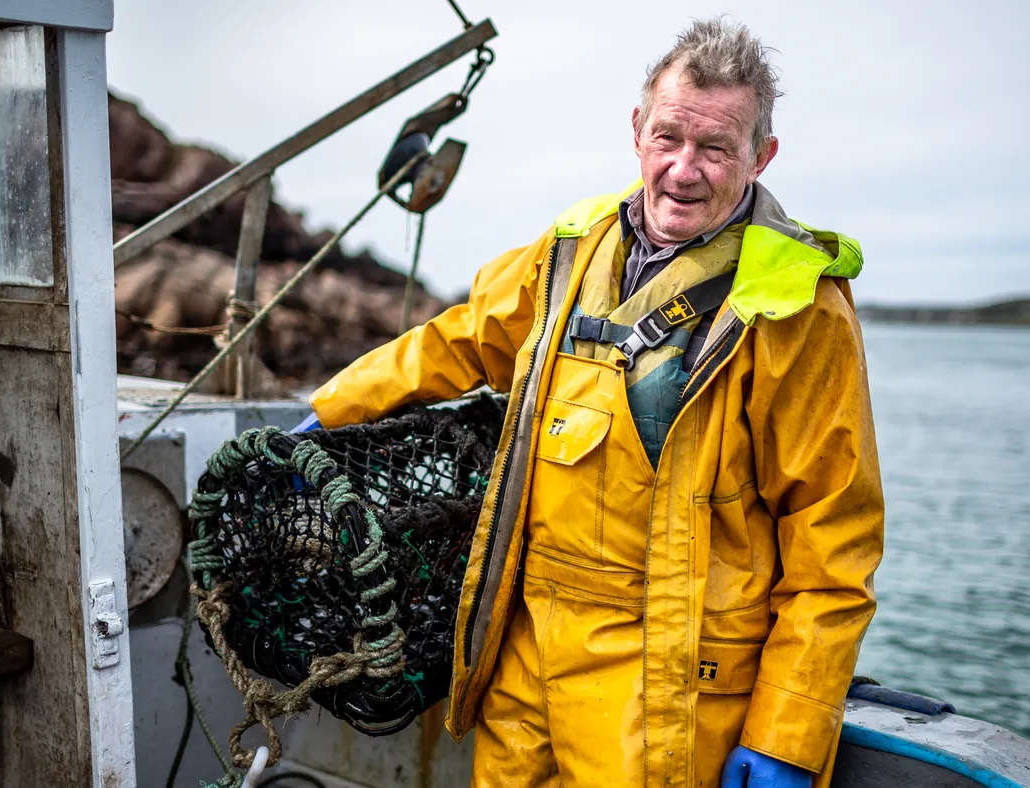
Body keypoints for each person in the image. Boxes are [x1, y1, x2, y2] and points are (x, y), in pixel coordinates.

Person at [308, 17, 884, 788]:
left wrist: (788, 730)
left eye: (715, 148)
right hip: (523, 656)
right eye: (669, 137)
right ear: (638, 130)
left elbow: (832, 543)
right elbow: (464, 339)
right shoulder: (574, 246)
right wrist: (334, 410)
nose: (683, 170)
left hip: (662, 688)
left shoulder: (796, 307)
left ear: (760, 156)